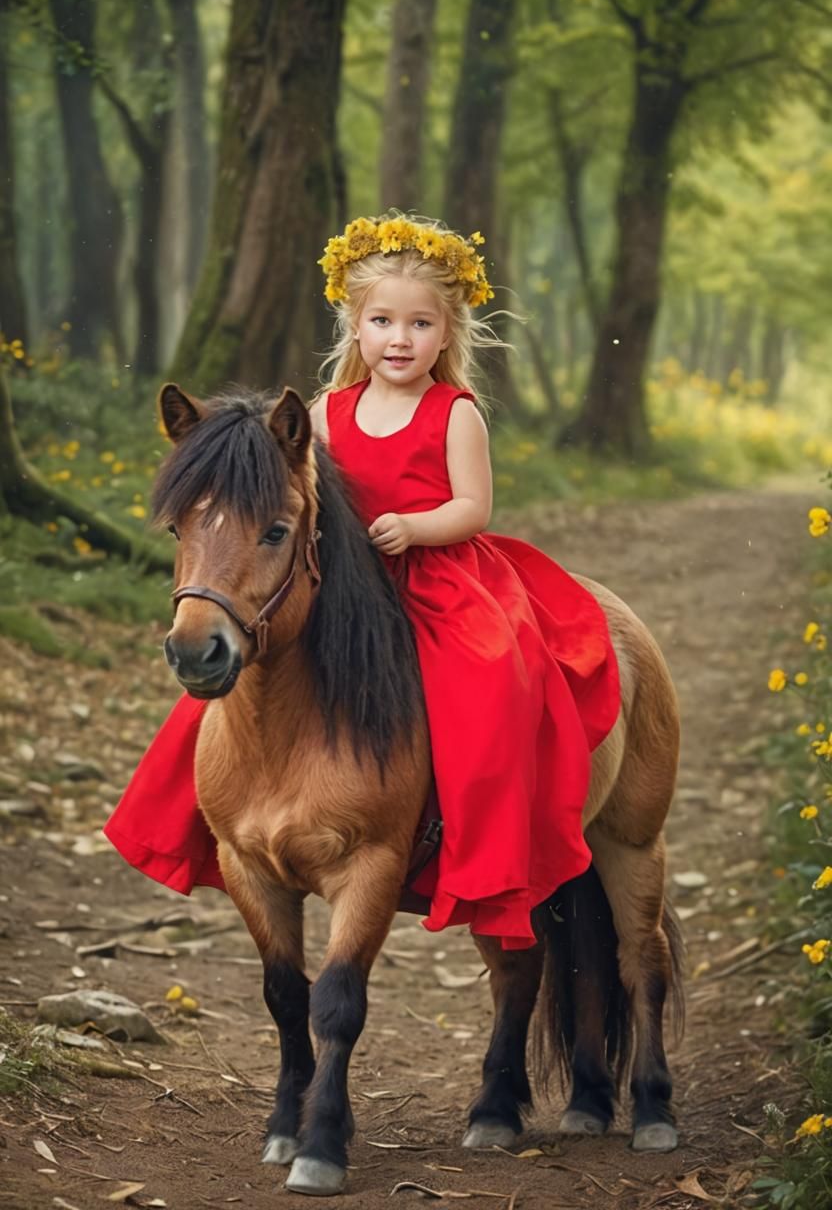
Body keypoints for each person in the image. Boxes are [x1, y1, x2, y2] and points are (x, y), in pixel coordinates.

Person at [105, 214, 620, 950]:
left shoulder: (455, 413)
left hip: (434, 573)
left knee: (490, 679)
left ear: (448, 333)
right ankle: (209, 817)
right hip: (340, 579)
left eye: (419, 323)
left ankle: (474, 841)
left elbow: (474, 508)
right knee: (232, 693)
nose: (399, 339)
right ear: (355, 327)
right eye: (382, 320)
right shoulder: (323, 414)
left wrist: (414, 527)